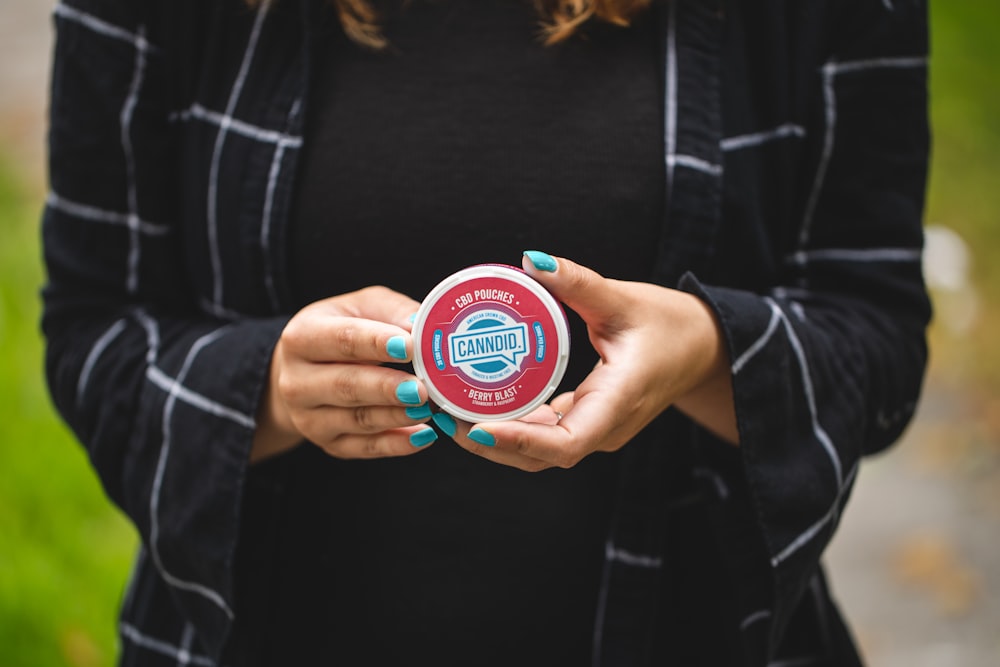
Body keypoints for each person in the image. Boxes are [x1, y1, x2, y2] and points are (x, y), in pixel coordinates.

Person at [41, 0, 932, 664]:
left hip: (689, 630)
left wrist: (706, 350)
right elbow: (94, 328)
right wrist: (266, 388)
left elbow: (876, 344)